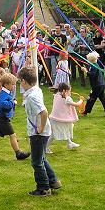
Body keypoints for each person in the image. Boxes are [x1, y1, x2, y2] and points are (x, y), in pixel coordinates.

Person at [18, 67, 61, 196]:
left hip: (39, 133)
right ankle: (53, 181)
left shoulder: (32, 96)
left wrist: (40, 128)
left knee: (36, 162)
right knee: (41, 158)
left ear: (25, 81)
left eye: (20, 81)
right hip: (41, 131)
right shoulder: (36, 90)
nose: (20, 84)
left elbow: (43, 112)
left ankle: (43, 188)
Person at [46, 82, 83, 153]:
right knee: (54, 134)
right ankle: (45, 147)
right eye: (69, 91)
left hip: (55, 118)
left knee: (67, 129)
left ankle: (69, 143)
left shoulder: (57, 94)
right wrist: (81, 100)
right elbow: (77, 104)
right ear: (64, 91)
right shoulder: (67, 98)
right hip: (58, 119)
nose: (70, 92)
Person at [81, 52, 105, 117]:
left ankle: (86, 111)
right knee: (103, 99)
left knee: (91, 98)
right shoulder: (95, 65)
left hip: (97, 86)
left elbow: (92, 75)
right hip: (101, 85)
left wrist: (85, 71)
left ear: (90, 60)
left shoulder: (93, 66)